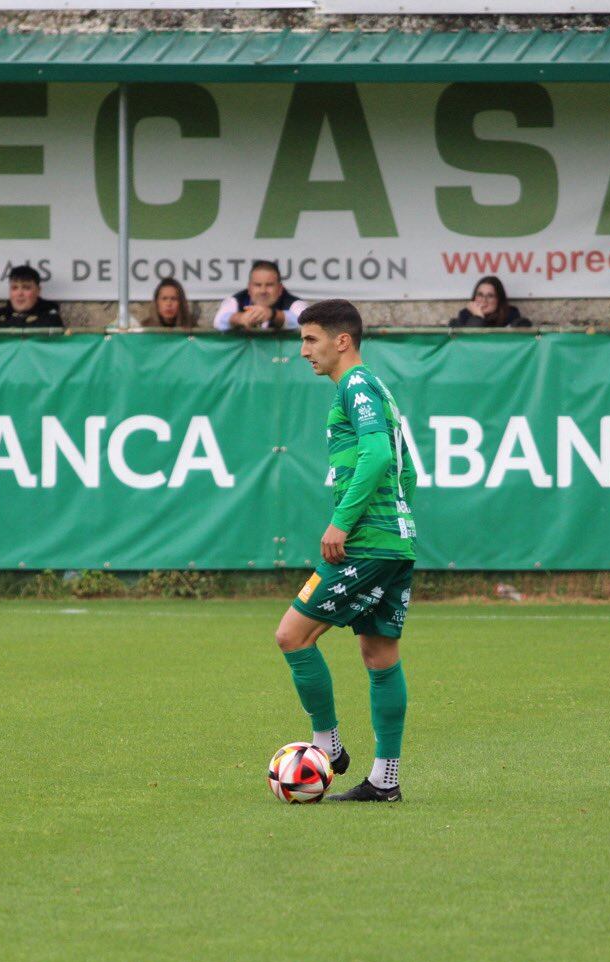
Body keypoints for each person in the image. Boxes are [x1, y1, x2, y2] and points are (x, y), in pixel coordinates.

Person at [272, 299, 417, 803]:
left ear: (342, 341)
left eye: (310, 339)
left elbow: (378, 455)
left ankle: (327, 748)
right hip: (393, 542)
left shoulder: (356, 384)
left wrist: (342, 522)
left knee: (292, 635)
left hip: (367, 542)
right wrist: (396, 526)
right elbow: (407, 470)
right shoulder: (373, 388)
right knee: (379, 655)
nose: (303, 350)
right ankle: (386, 779)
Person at [215, 261, 305, 333]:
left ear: (280, 288)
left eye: (269, 285)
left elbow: (305, 323)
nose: (263, 291)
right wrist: (240, 318)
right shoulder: (236, 300)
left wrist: (273, 315)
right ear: (249, 288)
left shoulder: (295, 303)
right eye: (258, 285)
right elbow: (218, 321)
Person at [0, 265, 65, 329]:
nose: (20, 293)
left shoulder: (50, 319)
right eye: (14, 288)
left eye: (26, 288)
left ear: (38, 291)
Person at [449, 276, 532, 329]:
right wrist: (478, 316)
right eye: (480, 295)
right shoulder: (465, 316)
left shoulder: (511, 316)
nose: (484, 300)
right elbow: (470, 342)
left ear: (499, 299)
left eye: (490, 296)